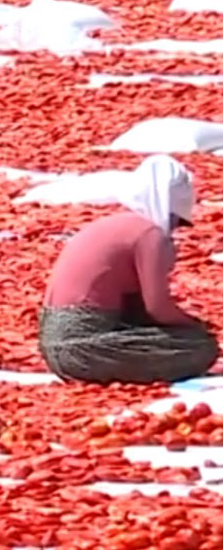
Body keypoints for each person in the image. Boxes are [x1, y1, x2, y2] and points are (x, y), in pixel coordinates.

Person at [39, 155, 218, 384]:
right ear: (167, 209)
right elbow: (158, 308)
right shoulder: (150, 235)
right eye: (177, 221)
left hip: (53, 350)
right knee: (201, 346)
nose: (174, 229)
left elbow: (140, 307)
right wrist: (195, 325)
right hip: (84, 349)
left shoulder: (113, 224)